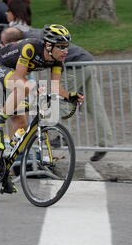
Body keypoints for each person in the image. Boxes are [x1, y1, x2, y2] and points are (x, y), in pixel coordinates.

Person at [0, 24, 84, 193]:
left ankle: (3, 168)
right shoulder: (30, 47)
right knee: (26, 86)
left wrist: (71, 96)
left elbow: (55, 87)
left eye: (66, 47)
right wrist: (34, 87)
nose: (65, 51)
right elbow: (18, 77)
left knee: (22, 124)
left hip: (15, 78)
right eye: (61, 47)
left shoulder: (57, 62)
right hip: (0, 68)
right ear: (48, 45)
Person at [22, 28, 113, 162]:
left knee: (62, 100)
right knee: (95, 105)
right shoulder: (40, 34)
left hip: (74, 66)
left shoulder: (31, 41)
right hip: (88, 62)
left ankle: (61, 136)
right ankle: (105, 141)